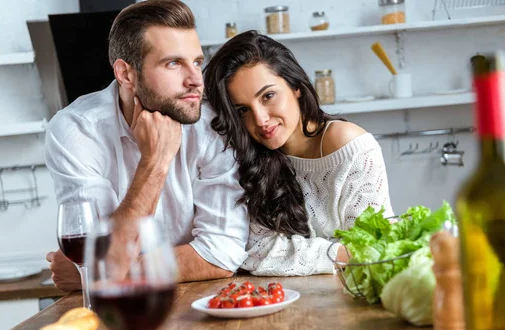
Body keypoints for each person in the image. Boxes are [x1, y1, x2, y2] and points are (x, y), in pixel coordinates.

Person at [45, 0, 248, 291]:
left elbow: (221, 254)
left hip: (205, 303)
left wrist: (98, 273)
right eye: (173, 63)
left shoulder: (212, 125)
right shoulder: (75, 131)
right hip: (115, 310)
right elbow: (92, 253)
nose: (195, 80)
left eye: (197, 62)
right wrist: (155, 162)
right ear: (125, 74)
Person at [203, 30, 394, 276]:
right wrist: (340, 254)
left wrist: (307, 255)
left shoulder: (350, 147)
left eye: (268, 96)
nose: (260, 120)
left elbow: (371, 251)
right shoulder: (247, 157)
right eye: (242, 110)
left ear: (296, 87)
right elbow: (256, 250)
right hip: (284, 299)